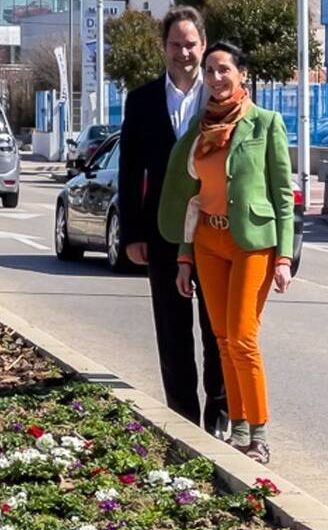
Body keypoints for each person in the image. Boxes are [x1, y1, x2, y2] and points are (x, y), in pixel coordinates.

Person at [157, 41, 295, 465]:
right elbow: (191, 198)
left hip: (253, 243)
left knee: (243, 337)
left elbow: (283, 195)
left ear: (242, 74)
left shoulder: (265, 124)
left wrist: (285, 258)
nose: (216, 79)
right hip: (207, 242)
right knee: (221, 339)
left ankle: (259, 434)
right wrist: (184, 256)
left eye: (224, 71)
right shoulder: (200, 130)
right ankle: (237, 429)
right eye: (210, 71)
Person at [117, 5, 229, 439]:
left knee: (217, 327)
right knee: (172, 327)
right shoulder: (142, 100)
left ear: (203, 46)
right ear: (163, 48)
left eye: (191, 44)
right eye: (176, 44)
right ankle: (183, 418)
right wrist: (131, 234)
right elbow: (130, 172)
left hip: (215, 229)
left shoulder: (222, 94)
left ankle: (218, 419)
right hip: (163, 231)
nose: (184, 53)